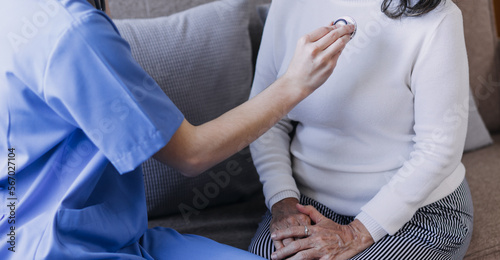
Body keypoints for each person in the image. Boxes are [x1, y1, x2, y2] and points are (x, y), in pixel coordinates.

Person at [0, 0, 355, 259]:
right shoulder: (72, 32)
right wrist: (294, 84)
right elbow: (192, 153)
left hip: (89, 235)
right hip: (63, 248)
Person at [248, 0, 473, 259]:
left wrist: (355, 233)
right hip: (304, 203)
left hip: (418, 212)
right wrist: (283, 199)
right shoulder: (289, 5)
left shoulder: (439, 17)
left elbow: (439, 148)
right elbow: (265, 120)